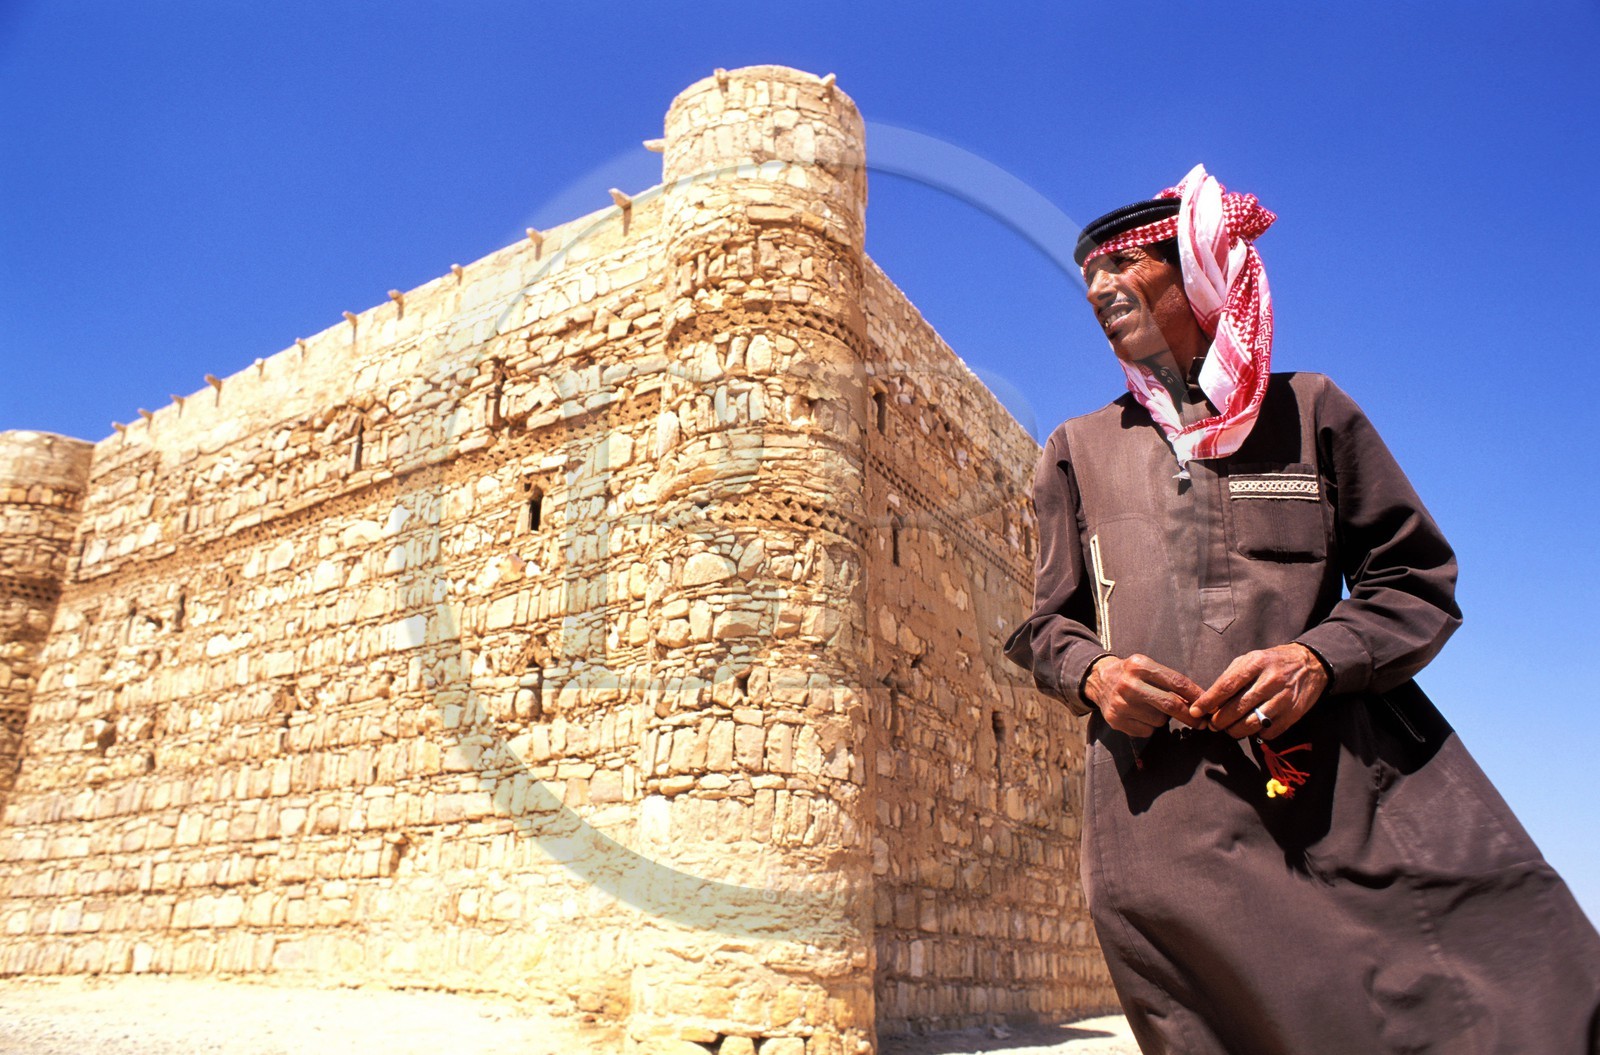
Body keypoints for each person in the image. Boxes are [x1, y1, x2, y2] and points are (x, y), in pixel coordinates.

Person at [1004, 164, 1600, 1054]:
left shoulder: (1313, 411)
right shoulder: (1077, 450)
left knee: (1511, 991)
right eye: (1087, 273)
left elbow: (1415, 580)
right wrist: (1096, 675)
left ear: (1202, 267)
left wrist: (1317, 659)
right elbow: (1047, 624)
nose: (1097, 286)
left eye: (1125, 262)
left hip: (1338, 804)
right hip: (1163, 826)